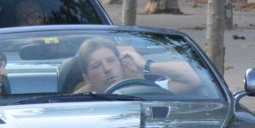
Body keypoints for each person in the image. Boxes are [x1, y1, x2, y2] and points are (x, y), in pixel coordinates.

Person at [72, 37, 200, 95]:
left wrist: (146, 65)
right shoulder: (83, 103)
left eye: (111, 60)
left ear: (121, 63)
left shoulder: (148, 90)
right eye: (96, 66)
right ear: (87, 78)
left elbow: (193, 78)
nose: (107, 69)